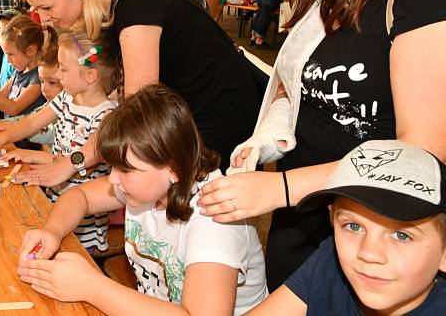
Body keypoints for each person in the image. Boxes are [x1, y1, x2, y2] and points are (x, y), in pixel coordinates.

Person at [197, 0, 446, 291]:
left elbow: (426, 154)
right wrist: (262, 143)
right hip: (309, 222)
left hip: (379, 238)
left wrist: (280, 189)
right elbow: (297, 87)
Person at [10, 0, 259, 183]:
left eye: (46, 7)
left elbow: (135, 112)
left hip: (221, 117)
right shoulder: (110, 8)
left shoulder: (134, 8)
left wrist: (73, 162)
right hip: (187, 113)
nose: (43, 18)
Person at [17, 84, 267, 315]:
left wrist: (92, 287)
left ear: (173, 168)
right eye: (113, 167)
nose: (113, 179)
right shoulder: (150, 184)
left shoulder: (214, 219)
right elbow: (79, 195)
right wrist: (52, 231)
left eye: (125, 169)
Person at [248, 140, 446, 315]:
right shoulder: (330, 261)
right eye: (353, 226)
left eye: (401, 235)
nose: (369, 253)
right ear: (332, 219)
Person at [0, 29, 120, 253]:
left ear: (90, 76)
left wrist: (35, 156)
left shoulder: (107, 118)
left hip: (83, 224)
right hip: (53, 201)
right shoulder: (67, 98)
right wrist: (2, 138)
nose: (60, 75)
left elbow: (78, 165)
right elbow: (32, 122)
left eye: (64, 69)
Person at [0, 31, 63, 146]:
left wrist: (11, 128)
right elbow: (28, 119)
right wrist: (2, 123)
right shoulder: (50, 104)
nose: (44, 88)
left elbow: (51, 134)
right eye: (42, 81)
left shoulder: (67, 107)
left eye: (52, 82)